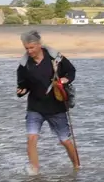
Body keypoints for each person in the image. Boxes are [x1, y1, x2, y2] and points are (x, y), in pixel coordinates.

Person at [15, 30, 80, 173]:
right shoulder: (24, 65)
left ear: (39, 45)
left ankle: (76, 167)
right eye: (26, 48)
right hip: (35, 107)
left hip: (56, 107)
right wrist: (22, 91)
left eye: (32, 47)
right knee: (31, 137)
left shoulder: (55, 58)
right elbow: (22, 85)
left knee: (65, 140)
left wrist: (65, 79)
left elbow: (71, 71)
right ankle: (34, 171)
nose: (29, 51)